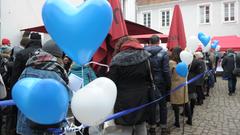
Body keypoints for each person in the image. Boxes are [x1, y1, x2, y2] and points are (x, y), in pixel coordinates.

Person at [16, 39, 69, 135]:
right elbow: (64, 101)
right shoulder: (55, 74)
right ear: (58, 56)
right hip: (44, 129)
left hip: (23, 124)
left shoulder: (28, 67)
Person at [107, 36, 151, 135]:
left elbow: (112, 82)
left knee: (125, 127)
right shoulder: (145, 57)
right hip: (142, 97)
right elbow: (149, 77)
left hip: (123, 99)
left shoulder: (117, 59)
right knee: (141, 124)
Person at [144, 35, 171, 135]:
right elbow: (166, 70)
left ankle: (152, 128)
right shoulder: (164, 53)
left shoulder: (143, 52)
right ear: (159, 42)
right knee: (163, 105)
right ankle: (163, 128)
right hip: (161, 82)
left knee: (151, 105)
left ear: (150, 42)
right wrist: (169, 84)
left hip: (149, 82)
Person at [69, 63, 97, 135]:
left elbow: (68, 81)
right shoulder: (88, 69)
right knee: (86, 115)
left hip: (75, 97)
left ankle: (78, 132)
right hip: (86, 96)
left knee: (77, 116)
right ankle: (86, 132)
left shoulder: (71, 69)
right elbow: (95, 80)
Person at [169, 47, 192, 128]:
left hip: (175, 84)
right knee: (185, 102)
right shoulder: (184, 62)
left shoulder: (171, 62)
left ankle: (177, 122)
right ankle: (190, 119)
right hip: (184, 84)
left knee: (175, 104)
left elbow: (169, 74)